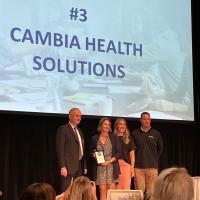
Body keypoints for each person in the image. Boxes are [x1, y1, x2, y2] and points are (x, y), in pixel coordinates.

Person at [131, 112, 163, 195]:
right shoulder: (135, 133)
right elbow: (131, 150)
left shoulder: (156, 133)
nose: (147, 121)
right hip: (138, 168)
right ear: (140, 120)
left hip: (152, 168)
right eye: (144, 119)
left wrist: (154, 159)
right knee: (139, 193)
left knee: (151, 193)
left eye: (148, 119)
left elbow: (160, 148)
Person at [56, 108, 87, 193]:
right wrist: (62, 166)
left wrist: (84, 165)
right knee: (66, 191)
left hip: (79, 166)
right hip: (68, 166)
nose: (79, 118)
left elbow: (81, 148)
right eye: (77, 116)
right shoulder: (63, 129)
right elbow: (60, 149)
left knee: (77, 191)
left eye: (80, 116)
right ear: (70, 116)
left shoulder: (80, 131)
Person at [90, 117, 121, 200]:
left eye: (108, 124)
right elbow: (91, 152)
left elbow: (119, 153)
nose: (107, 126)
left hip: (111, 166)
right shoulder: (95, 138)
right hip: (100, 167)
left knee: (111, 191)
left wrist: (109, 161)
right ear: (101, 125)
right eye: (105, 124)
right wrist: (93, 155)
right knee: (102, 190)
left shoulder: (114, 137)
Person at [114, 118, 135, 189]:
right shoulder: (112, 137)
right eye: (120, 124)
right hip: (115, 166)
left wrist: (132, 167)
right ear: (116, 125)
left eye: (124, 124)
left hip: (126, 167)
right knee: (116, 189)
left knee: (125, 188)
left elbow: (132, 154)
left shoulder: (129, 138)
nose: (122, 126)